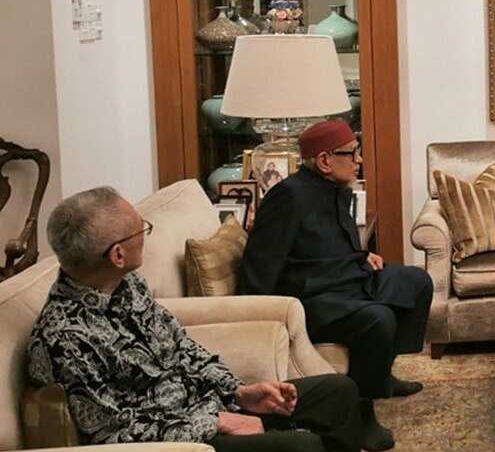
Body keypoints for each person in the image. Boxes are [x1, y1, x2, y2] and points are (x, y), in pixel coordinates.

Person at [27, 187, 364, 452]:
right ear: (117, 255)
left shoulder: (128, 285)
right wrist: (217, 422)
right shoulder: (65, 338)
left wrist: (239, 391)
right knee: (303, 446)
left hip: (210, 407)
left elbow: (182, 348)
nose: (145, 233)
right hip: (181, 442)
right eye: (140, 229)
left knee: (338, 392)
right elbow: (110, 431)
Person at [238, 119, 433, 451]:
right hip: (311, 299)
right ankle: (362, 413)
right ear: (325, 161)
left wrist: (362, 256)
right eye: (352, 153)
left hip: (348, 278)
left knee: (416, 282)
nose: (359, 160)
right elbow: (261, 265)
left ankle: (382, 371)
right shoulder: (288, 196)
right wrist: (266, 316)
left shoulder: (336, 189)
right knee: (378, 319)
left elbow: (325, 244)